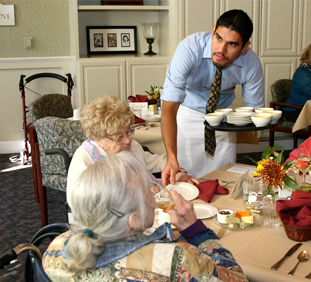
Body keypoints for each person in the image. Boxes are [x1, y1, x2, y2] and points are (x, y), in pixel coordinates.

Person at [44, 152, 247, 281]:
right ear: (135, 220)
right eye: (147, 193)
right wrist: (196, 231)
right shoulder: (176, 259)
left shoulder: (55, 250)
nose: (153, 196)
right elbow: (236, 279)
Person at [161, 9, 264, 184]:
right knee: (186, 181)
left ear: (245, 46)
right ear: (213, 30)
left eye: (232, 44)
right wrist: (171, 157)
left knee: (224, 180)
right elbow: (169, 107)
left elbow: (255, 110)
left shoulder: (251, 63)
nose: (221, 50)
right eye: (218, 38)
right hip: (188, 114)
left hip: (223, 119)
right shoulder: (189, 49)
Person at [67, 95, 198, 203]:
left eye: (128, 132)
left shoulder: (131, 147)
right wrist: (136, 194)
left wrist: (178, 174)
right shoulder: (85, 160)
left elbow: (158, 162)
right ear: (98, 139)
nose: (127, 140)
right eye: (119, 137)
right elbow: (81, 204)